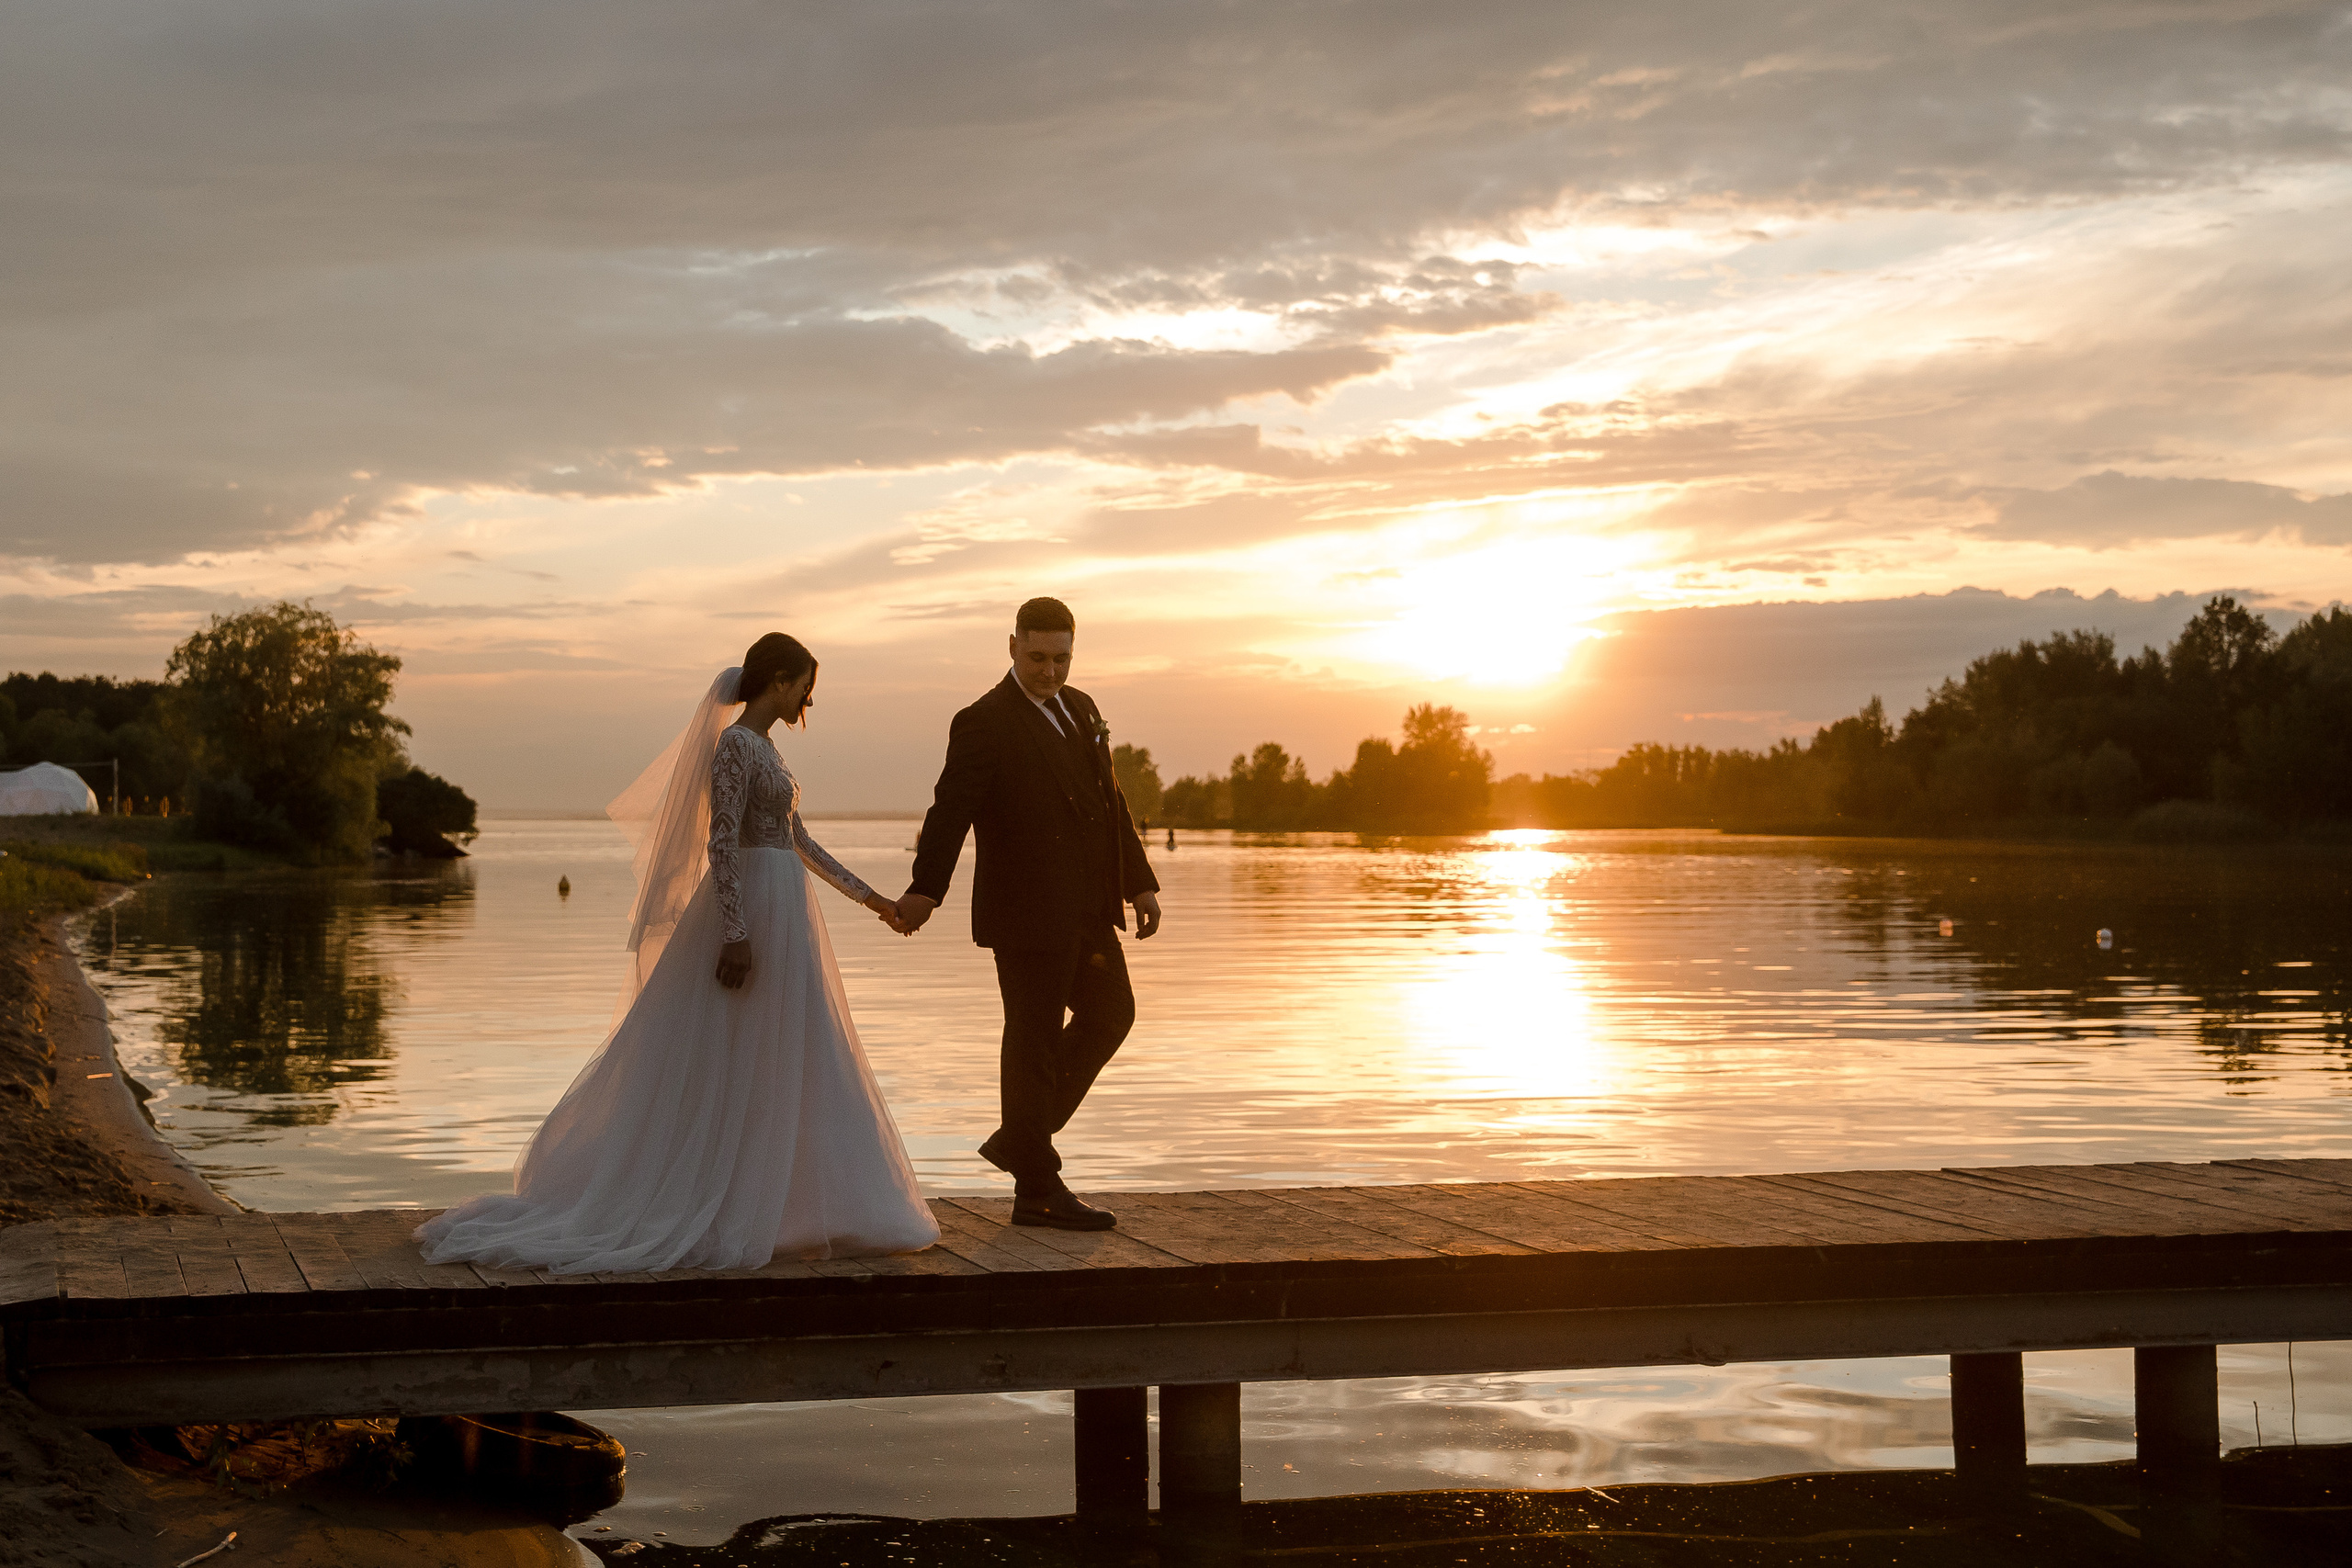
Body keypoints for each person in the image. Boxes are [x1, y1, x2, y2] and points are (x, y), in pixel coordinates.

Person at [414, 635, 939, 1274]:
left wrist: (875, 900)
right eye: (805, 682)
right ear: (778, 679)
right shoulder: (735, 746)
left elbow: (798, 839)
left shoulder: (767, 748)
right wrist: (734, 931)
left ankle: (793, 1203)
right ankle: (718, 1198)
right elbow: (722, 842)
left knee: (792, 1053)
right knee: (733, 1054)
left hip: (790, 910)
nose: (810, 696)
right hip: (753, 910)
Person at [896, 598, 1160, 1230]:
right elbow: (949, 810)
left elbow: (1111, 801)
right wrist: (925, 890)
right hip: (1024, 913)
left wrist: (1140, 884)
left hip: (1088, 908)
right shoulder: (984, 721)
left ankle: (1023, 1138)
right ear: (1011, 646)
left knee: (1112, 1012)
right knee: (1033, 1037)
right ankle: (1037, 1187)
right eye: (1037, 657)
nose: (1050, 671)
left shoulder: (1084, 708)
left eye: (1061, 658)